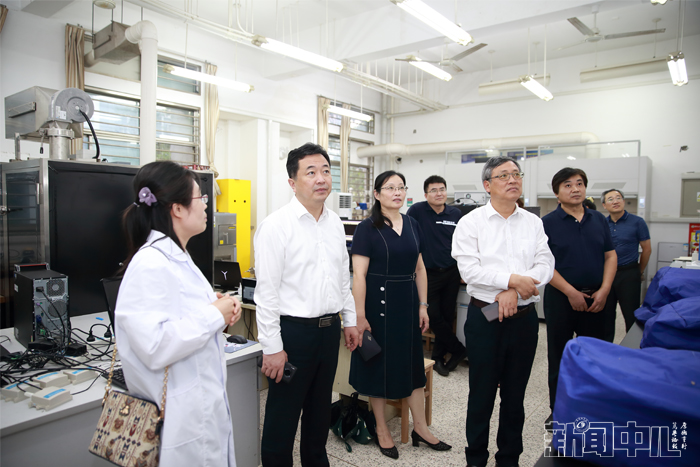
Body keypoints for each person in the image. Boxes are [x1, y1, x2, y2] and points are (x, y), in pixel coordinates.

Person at [115, 161, 242, 467]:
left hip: (197, 409)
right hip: (178, 419)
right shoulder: (150, 263)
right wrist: (213, 315)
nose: (206, 205)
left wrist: (217, 309)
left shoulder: (178, 256)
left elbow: (179, 315)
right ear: (177, 209)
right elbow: (155, 345)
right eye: (201, 198)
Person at [254, 143, 359, 467]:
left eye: (326, 171)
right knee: (282, 420)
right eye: (311, 172)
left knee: (318, 415)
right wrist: (272, 347)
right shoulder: (276, 225)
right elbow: (266, 293)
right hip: (293, 335)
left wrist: (350, 319)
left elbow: (342, 279)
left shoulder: (334, 223)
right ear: (292, 182)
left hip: (328, 333)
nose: (321, 178)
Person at [452, 156, 554, 467]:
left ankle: (509, 459)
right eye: (503, 175)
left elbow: (546, 264)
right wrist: (511, 280)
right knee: (481, 394)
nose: (512, 179)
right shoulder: (471, 222)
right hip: (485, 319)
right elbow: (469, 270)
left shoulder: (533, 222)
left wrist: (514, 289)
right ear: (487, 185)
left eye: (516, 174)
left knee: (515, 395)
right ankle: (475, 459)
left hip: (523, 321)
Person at [350, 170, 451, 460]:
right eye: (390, 187)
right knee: (378, 366)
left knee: (412, 366)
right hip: (377, 306)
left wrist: (423, 305)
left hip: (407, 303)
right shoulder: (367, 228)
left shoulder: (412, 224)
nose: (397, 192)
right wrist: (360, 315)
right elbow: (359, 276)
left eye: (401, 187)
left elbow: (420, 268)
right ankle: (382, 429)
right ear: (377, 194)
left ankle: (420, 428)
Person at [542, 168, 617, 424]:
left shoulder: (598, 219)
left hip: (598, 299)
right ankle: (559, 411)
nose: (575, 189)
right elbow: (545, 264)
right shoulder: (546, 223)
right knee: (560, 356)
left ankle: (593, 408)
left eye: (579, 184)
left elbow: (610, 255)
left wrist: (605, 289)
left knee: (595, 356)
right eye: (567, 185)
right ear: (556, 192)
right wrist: (570, 292)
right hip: (561, 299)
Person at [407, 175, 467, 377]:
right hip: (427, 273)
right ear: (426, 194)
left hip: (451, 272)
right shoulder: (417, 211)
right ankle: (458, 349)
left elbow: (462, 243)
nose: (439, 193)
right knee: (432, 315)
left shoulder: (455, 213)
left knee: (447, 315)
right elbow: (409, 237)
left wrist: (463, 270)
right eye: (433, 190)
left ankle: (439, 358)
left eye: (442, 189)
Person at [601, 188, 651, 337]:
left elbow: (647, 249)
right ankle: (606, 347)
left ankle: (634, 346)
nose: (615, 201)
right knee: (606, 315)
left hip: (629, 273)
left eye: (618, 198)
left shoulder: (637, 222)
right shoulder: (602, 223)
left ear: (623, 201)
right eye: (610, 199)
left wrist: (639, 271)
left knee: (631, 315)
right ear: (604, 205)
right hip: (606, 274)